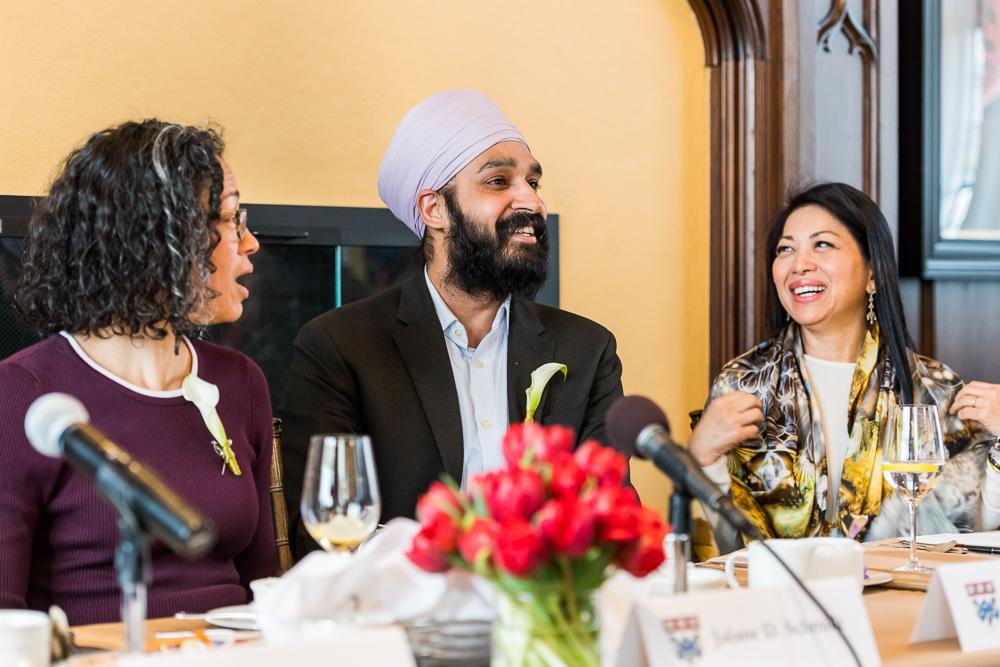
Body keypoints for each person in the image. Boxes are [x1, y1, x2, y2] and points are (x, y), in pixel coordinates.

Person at [280, 89, 624, 556]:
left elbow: (609, 519)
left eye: (533, 183)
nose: (531, 202)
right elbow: (328, 537)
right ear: (433, 209)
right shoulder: (340, 348)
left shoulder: (586, 349)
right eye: (499, 182)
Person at [0, 120, 279, 624]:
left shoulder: (241, 381)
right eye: (232, 219)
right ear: (155, 240)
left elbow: (267, 593)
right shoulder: (22, 394)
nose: (250, 242)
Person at [687, 182, 993, 551]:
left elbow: (973, 525)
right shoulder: (744, 384)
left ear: (872, 273)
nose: (800, 264)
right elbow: (720, 551)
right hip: (777, 604)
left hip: (899, 603)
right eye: (786, 249)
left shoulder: (934, 389)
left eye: (822, 244)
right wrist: (702, 458)